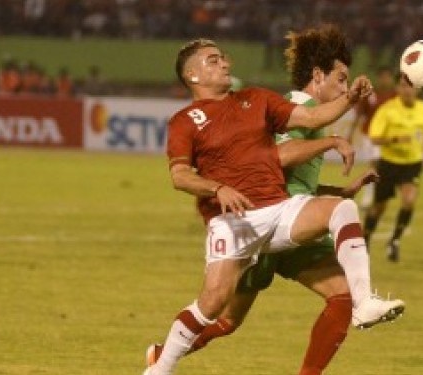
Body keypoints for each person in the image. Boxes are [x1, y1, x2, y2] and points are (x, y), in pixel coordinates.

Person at [143, 38, 404, 375]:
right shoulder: (184, 121)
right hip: (235, 220)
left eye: (223, 57)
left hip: (279, 209)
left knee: (342, 211)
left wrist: (351, 97)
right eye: (213, 60)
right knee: (214, 308)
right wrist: (218, 187)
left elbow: (311, 118)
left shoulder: (256, 98)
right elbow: (180, 176)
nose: (224, 63)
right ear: (193, 75)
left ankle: (364, 302)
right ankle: (160, 367)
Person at [362, 73, 423, 262]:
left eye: (411, 86)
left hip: (412, 164)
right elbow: (374, 138)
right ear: (397, 88)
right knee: (379, 207)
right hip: (388, 163)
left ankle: (394, 241)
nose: (407, 90)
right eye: (403, 86)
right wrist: (395, 139)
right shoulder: (387, 110)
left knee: (409, 200)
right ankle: (365, 239)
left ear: (418, 89)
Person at [346, 65, 397, 209]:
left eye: (388, 77)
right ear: (379, 78)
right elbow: (360, 114)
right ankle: (369, 197)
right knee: (374, 164)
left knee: (385, 168)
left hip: (389, 137)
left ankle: (380, 195)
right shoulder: (371, 94)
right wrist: (350, 133)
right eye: (383, 77)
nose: (385, 80)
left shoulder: (396, 96)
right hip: (370, 135)